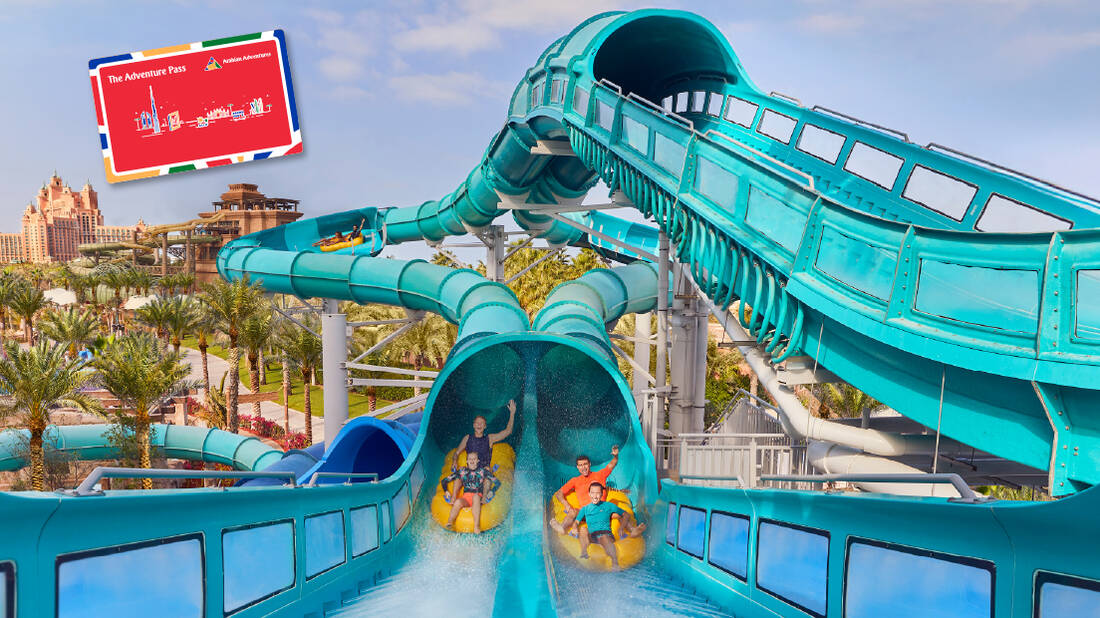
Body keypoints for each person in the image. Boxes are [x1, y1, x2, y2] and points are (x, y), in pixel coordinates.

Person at [548, 445, 619, 535]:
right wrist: (566, 505)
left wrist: (615, 456)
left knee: (619, 513)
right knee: (572, 512)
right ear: (577, 467)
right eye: (580, 465)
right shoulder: (575, 480)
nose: (583, 467)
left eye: (585, 464)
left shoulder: (600, 475)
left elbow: (612, 464)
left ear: (590, 464)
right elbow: (559, 493)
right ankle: (562, 528)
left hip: (600, 511)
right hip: (585, 513)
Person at [574, 482, 646, 568]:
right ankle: (584, 553)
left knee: (603, 537)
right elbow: (576, 522)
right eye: (592, 493)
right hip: (592, 535)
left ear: (601, 494)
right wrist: (574, 528)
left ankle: (615, 563)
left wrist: (621, 528)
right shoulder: (585, 509)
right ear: (589, 494)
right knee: (582, 529)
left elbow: (626, 514)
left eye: (597, 493)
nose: (595, 496)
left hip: (606, 534)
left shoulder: (608, 505)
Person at [452, 399, 516, 471]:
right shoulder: (467, 438)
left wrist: (512, 413)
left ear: (485, 426)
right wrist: (454, 461)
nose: (479, 425)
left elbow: (508, 431)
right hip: (470, 471)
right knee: (458, 479)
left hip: (485, 472)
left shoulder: (490, 438)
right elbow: (457, 453)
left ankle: (492, 470)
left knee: (487, 474)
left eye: (481, 423)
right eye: (477, 423)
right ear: (473, 425)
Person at [440, 451, 495, 533]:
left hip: (477, 497)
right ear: (467, 461)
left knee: (476, 497)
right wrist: (446, 491)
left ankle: (476, 526)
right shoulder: (462, 472)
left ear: (478, 460)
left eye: (474, 459)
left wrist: (491, 491)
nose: (472, 461)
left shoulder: (483, 471)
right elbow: (444, 481)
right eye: (470, 459)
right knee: (458, 502)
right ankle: (450, 522)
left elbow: (497, 482)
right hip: (466, 499)